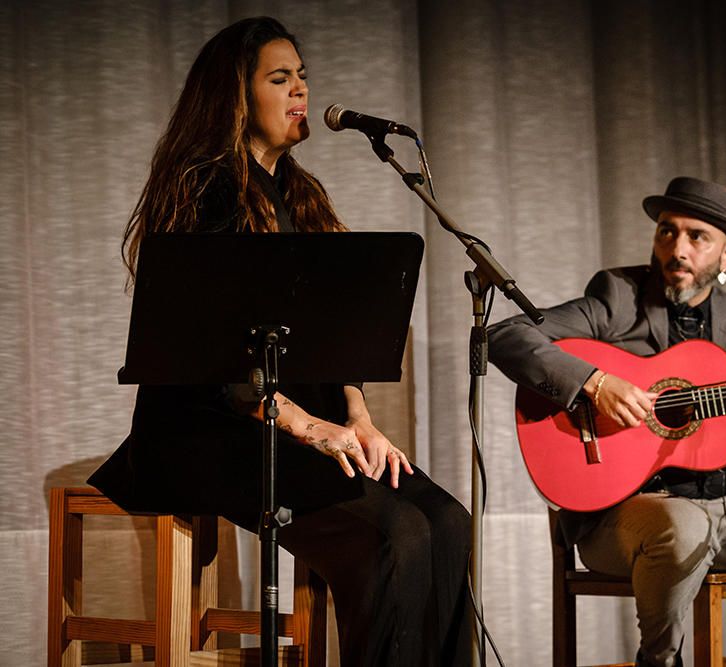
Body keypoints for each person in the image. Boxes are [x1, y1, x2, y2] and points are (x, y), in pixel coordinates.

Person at [88, 17, 470, 667]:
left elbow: (336, 329)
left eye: (303, 76)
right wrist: (308, 427)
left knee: (449, 521)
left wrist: (358, 417)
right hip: (207, 428)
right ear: (236, 96)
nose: (301, 89)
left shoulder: (302, 193)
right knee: (392, 533)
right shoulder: (204, 191)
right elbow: (215, 359)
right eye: (280, 77)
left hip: (286, 424)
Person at [487, 177, 726, 667]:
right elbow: (504, 335)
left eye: (697, 237)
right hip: (623, 514)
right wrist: (595, 382)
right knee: (683, 524)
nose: (677, 248)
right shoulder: (616, 297)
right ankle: (660, 661)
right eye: (667, 232)